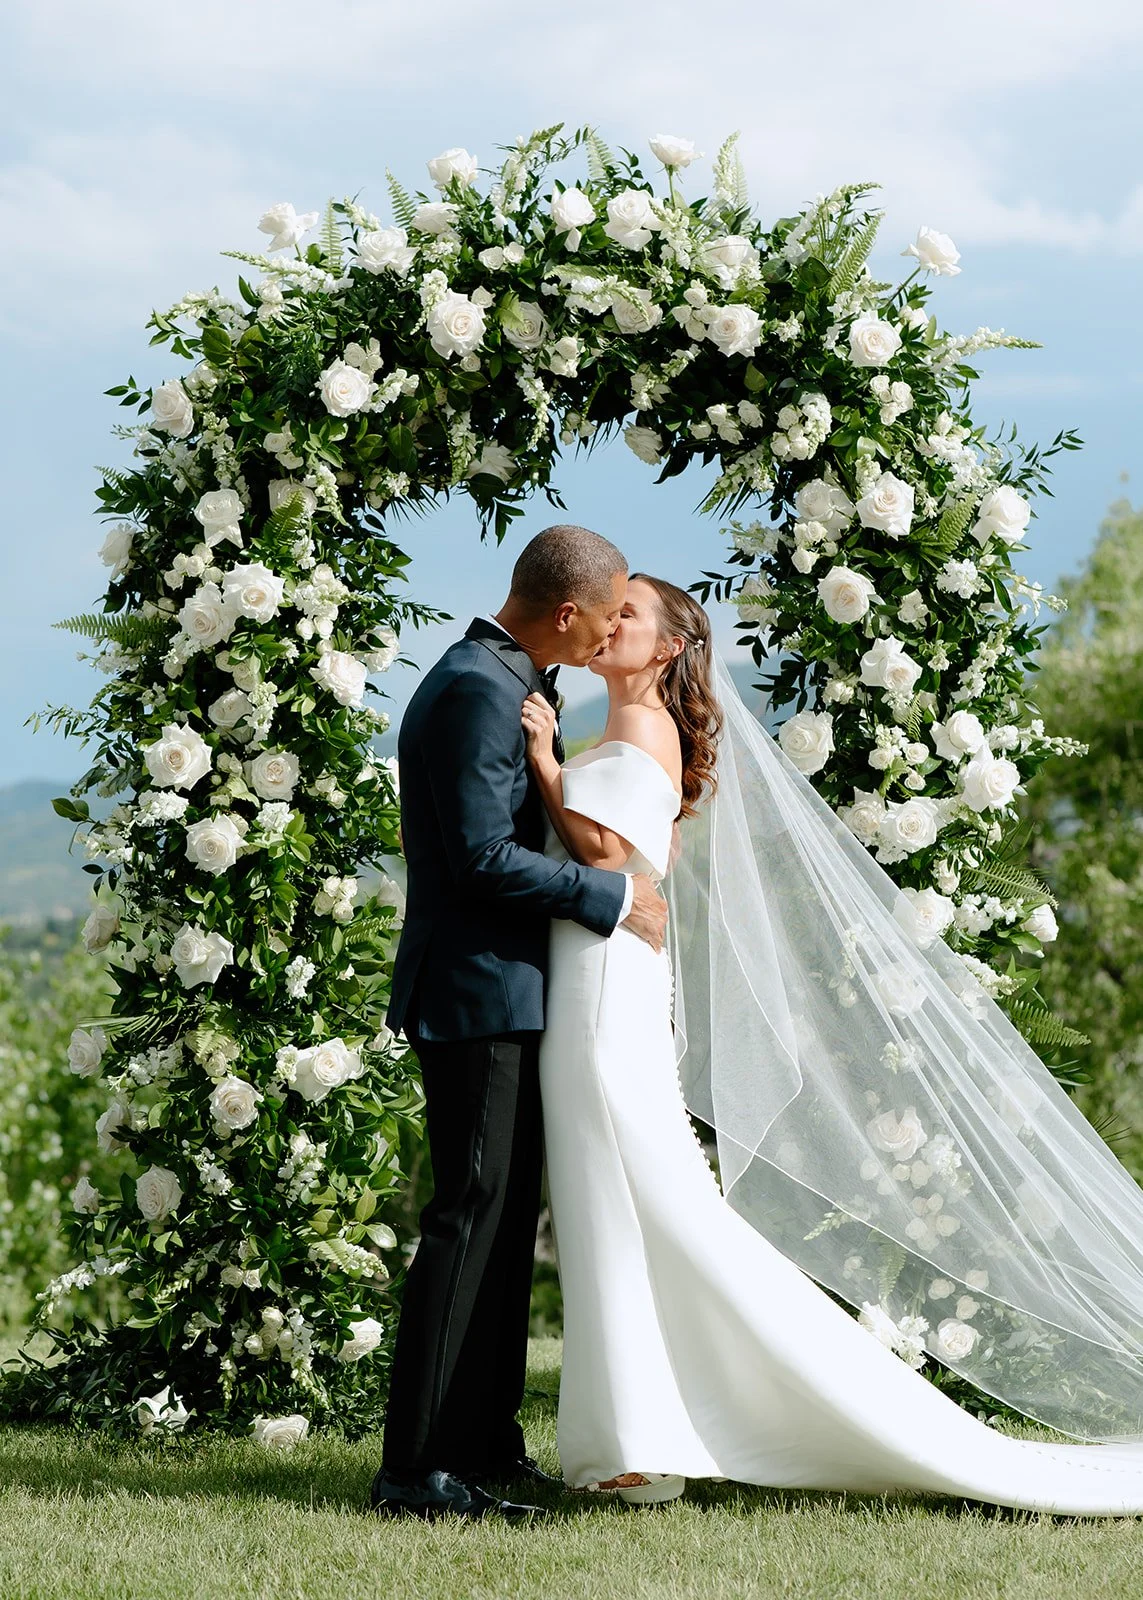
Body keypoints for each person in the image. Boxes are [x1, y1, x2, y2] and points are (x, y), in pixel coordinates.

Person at [521, 571, 1143, 1515]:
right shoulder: (639, 733)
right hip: (604, 979)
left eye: (632, 614)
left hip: (603, 991)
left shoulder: (640, 729)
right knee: (621, 1203)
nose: (611, 624)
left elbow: (606, 859)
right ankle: (637, 1438)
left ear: (669, 647)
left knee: (631, 1200)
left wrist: (544, 766)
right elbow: (649, 855)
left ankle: (644, 1443)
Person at [370, 526, 668, 1521]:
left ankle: (486, 1445)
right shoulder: (472, 689)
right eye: (608, 610)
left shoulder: (506, 680)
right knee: (466, 1218)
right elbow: (478, 862)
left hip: (512, 991)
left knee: (501, 1230)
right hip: (474, 990)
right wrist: (612, 898)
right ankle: (414, 1470)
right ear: (568, 609)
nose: (610, 630)